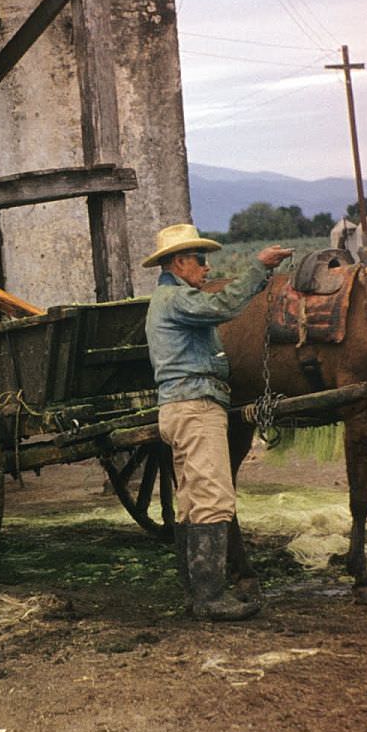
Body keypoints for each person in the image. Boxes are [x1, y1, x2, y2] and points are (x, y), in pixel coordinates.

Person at [144, 223, 293, 620]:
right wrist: (259, 269)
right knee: (212, 499)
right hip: (196, 408)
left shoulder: (168, 298)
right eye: (200, 260)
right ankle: (210, 598)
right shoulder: (176, 299)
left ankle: (197, 593)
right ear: (179, 262)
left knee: (192, 500)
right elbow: (222, 308)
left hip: (180, 408)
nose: (207, 268)